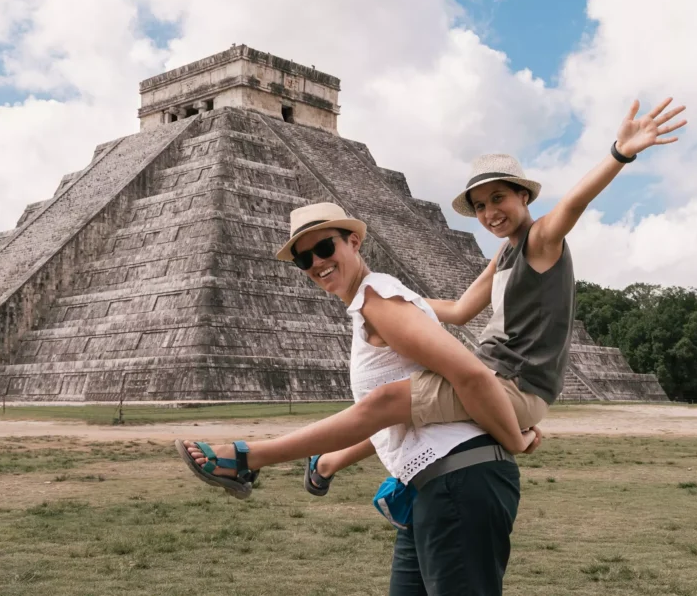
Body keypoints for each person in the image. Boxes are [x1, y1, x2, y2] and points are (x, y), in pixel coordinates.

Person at [304, 96, 687, 494]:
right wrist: (387, 303)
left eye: (498, 198)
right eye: (480, 206)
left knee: (393, 400)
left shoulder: (540, 240)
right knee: (405, 403)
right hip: (492, 374)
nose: (490, 213)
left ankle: (283, 457)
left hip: (514, 384)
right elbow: (458, 310)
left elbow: (574, 203)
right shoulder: (504, 254)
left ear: (524, 196)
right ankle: (330, 461)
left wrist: (620, 152)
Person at [178, 202, 541, 594]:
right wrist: (332, 461)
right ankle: (253, 458)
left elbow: (470, 373)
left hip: (458, 481)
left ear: (354, 241)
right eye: (303, 258)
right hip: (430, 488)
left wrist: (514, 439)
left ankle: (248, 457)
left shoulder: (379, 300)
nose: (317, 262)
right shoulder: (369, 306)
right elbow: (397, 412)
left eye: (325, 248)